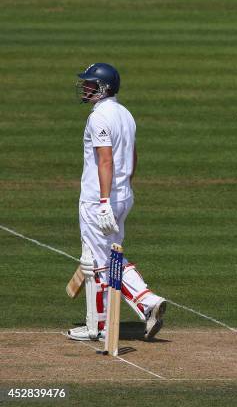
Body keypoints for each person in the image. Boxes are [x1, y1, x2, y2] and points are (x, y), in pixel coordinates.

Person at [68, 63, 166, 341]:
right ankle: (98, 324)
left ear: (103, 88)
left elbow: (106, 159)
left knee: (100, 263)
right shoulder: (125, 114)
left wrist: (103, 201)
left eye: (90, 84)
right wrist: (123, 189)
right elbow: (132, 157)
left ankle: (145, 303)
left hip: (99, 199)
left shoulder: (99, 118)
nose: (85, 88)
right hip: (123, 195)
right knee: (108, 258)